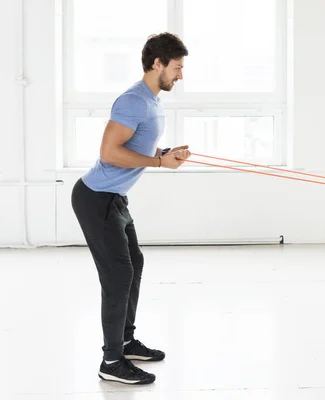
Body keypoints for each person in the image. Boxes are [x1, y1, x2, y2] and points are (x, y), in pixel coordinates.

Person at [71, 32, 190, 385]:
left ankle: (125, 340)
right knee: (119, 276)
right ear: (158, 64)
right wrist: (158, 164)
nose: (180, 76)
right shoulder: (133, 101)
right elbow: (109, 153)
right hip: (96, 199)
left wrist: (163, 154)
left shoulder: (152, 101)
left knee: (134, 264)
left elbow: (135, 148)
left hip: (115, 198)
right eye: (177, 68)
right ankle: (111, 361)